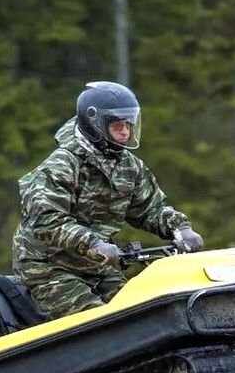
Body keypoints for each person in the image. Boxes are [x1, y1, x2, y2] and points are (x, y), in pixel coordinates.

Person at [12, 81, 204, 319]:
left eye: (129, 124)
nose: (125, 132)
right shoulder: (61, 165)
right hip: (49, 266)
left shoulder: (128, 165)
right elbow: (47, 221)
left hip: (97, 266)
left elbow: (150, 208)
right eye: (117, 126)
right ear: (96, 125)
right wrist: (93, 244)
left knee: (140, 312)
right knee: (99, 321)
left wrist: (180, 228)